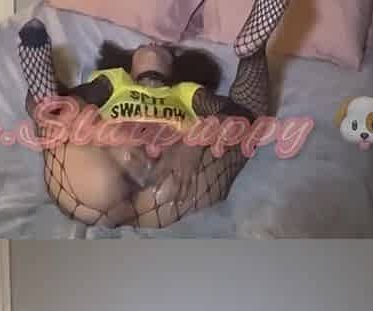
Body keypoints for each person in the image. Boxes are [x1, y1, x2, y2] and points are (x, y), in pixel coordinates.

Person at [18, 0, 290, 228]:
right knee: (61, 113)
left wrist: (192, 147)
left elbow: (230, 113)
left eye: (166, 48)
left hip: (174, 181)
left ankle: (253, 52)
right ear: (127, 62)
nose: (152, 42)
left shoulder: (185, 91)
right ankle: (44, 91)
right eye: (143, 45)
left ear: (177, 66)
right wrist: (93, 123)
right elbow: (76, 101)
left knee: (243, 121)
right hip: (104, 168)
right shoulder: (115, 80)